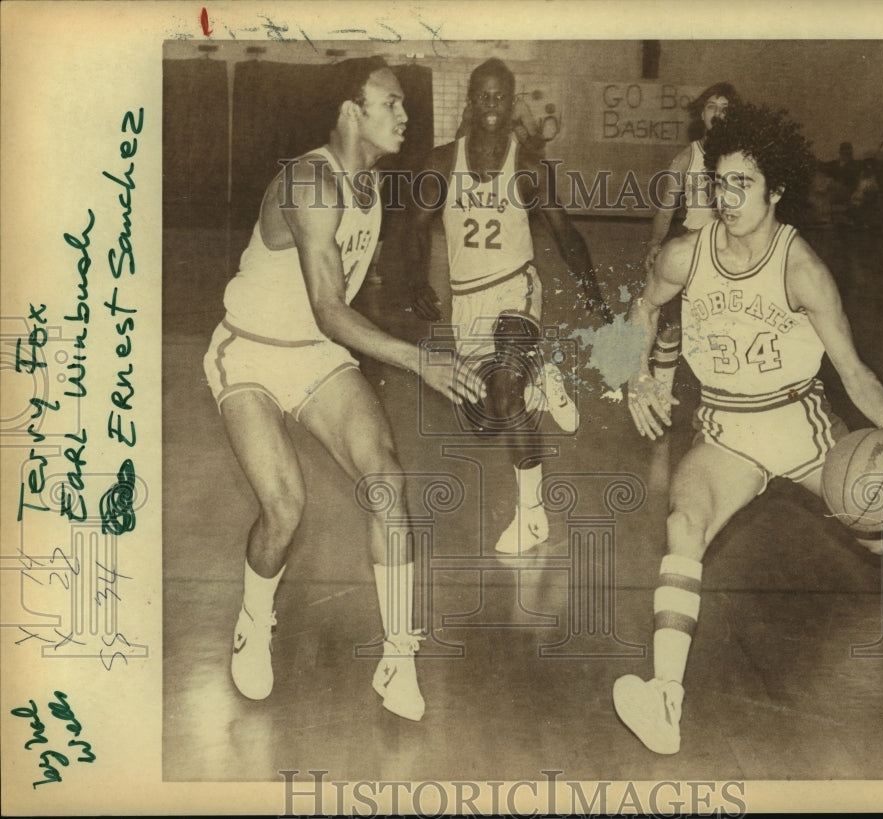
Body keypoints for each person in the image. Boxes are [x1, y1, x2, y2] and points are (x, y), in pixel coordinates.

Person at [615, 102, 883, 755]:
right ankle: (665, 697)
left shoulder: (801, 266)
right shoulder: (685, 257)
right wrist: (636, 375)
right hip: (725, 429)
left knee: (872, 535)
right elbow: (640, 307)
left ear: (776, 190)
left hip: (798, 424)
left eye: (742, 185)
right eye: (719, 183)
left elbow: (854, 369)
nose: (725, 198)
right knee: (683, 522)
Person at [202, 57, 484, 719]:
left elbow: (339, 314)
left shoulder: (372, 184)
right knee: (286, 507)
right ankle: (252, 619)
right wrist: (419, 361)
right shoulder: (310, 182)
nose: (405, 113)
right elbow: (329, 305)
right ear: (349, 108)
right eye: (391, 101)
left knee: (386, 478)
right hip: (250, 355)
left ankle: (397, 657)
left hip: (317, 359)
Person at [408, 57, 612, 555]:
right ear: (471, 100)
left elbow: (565, 233)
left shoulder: (528, 166)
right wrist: (414, 276)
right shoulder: (440, 162)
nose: (493, 105)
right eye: (484, 96)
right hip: (468, 300)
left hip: (515, 288)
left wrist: (593, 293)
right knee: (487, 416)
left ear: (511, 99)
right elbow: (414, 227)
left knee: (504, 386)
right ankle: (543, 379)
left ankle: (533, 516)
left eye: (502, 96)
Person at [643, 83, 738, 396]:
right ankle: (660, 392)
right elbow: (666, 209)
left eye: (725, 108)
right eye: (712, 106)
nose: (718, 113)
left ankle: (729, 397)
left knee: (730, 327)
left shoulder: (745, 158)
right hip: (695, 250)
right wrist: (656, 245)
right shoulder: (687, 156)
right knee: (672, 325)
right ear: (702, 113)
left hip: (734, 251)